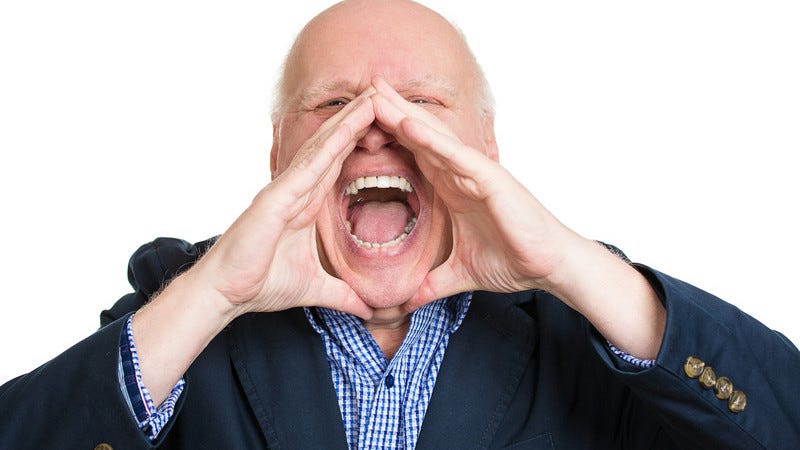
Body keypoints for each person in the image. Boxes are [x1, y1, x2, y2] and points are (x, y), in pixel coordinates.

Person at [1, 1, 799, 449]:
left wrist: (567, 262)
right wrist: (213, 294)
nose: (377, 130)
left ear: (486, 148)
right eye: (333, 104)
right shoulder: (182, 306)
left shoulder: (592, 321)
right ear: (278, 154)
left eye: (421, 104)